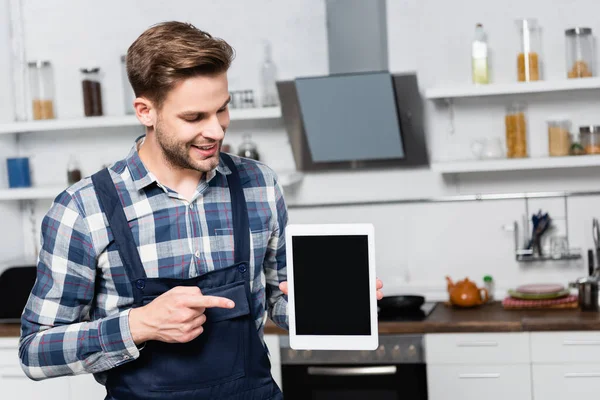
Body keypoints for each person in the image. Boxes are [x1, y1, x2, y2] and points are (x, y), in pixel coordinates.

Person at [18, 21, 384, 399]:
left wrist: (334, 304)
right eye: (194, 118)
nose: (216, 130)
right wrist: (139, 325)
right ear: (146, 111)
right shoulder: (83, 209)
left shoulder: (258, 185)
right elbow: (35, 352)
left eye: (222, 110)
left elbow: (279, 298)